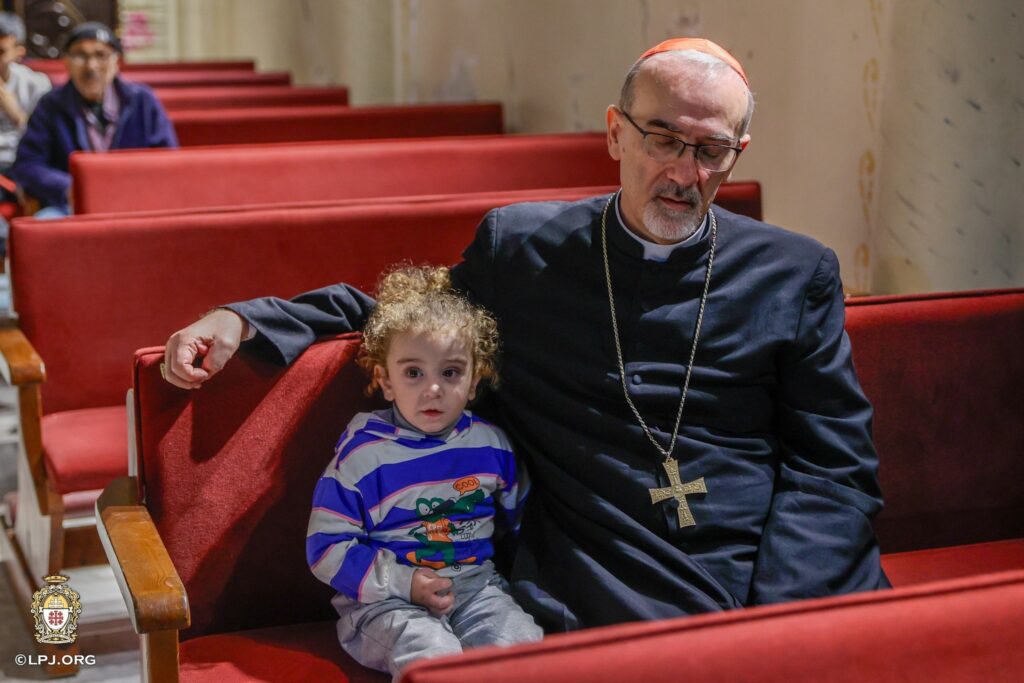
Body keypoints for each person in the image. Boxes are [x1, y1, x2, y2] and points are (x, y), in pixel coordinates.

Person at [164, 38, 890, 632]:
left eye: (711, 150)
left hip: (760, 559)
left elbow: (833, 466)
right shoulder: (522, 249)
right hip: (602, 555)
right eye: (664, 138)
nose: (684, 172)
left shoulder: (795, 273)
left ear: (738, 152)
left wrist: (783, 617)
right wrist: (248, 320)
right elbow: (409, 316)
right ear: (616, 131)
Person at [306, 265, 542, 679]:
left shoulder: (491, 446)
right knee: (434, 656)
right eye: (413, 373)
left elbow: (518, 522)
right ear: (386, 381)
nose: (433, 389)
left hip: (476, 590)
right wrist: (406, 583)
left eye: (450, 373)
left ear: (473, 381)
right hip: (384, 603)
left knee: (524, 649)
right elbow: (325, 549)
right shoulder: (362, 457)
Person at [10, 22, 177, 217]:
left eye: (101, 55)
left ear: (117, 61)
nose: (91, 66)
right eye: (80, 56)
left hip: (135, 203)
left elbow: (168, 159)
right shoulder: (50, 104)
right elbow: (27, 165)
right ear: (66, 62)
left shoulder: (142, 101)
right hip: (70, 207)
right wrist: (70, 187)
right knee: (43, 225)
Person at [0, 12, 50, 251]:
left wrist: (17, 114)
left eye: (0, 52)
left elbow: (46, 140)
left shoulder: (37, 84)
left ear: (18, 52)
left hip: (24, 163)